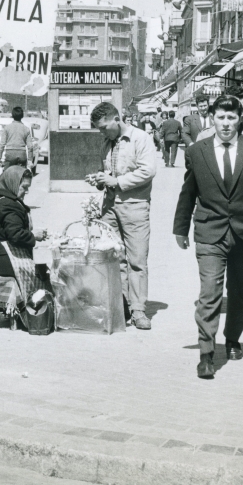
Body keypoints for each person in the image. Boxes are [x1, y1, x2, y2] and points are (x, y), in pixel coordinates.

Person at [173, 94, 243, 379]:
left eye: (231, 117)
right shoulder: (197, 151)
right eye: (220, 117)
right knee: (209, 292)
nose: (225, 123)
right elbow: (189, 192)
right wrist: (180, 228)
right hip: (210, 231)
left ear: (240, 119)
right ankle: (206, 354)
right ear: (212, 118)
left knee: (241, 292)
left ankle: (233, 337)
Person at [85, 102, 157, 330]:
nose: (102, 132)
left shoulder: (141, 138)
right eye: (99, 129)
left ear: (117, 119)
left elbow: (148, 170)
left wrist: (117, 181)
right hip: (110, 207)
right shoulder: (106, 142)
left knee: (137, 260)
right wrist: (99, 179)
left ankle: (138, 310)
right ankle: (120, 306)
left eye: (105, 127)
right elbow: (107, 172)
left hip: (134, 206)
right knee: (115, 258)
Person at [0, 165, 50, 297]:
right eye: (24, 187)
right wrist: (33, 236)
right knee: (43, 277)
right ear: (13, 183)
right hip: (2, 259)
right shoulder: (9, 205)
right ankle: (34, 312)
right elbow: (15, 235)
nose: (26, 192)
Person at [0, 106, 35, 171]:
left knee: (6, 176)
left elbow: (2, 144)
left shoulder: (7, 128)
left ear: (12, 115)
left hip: (10, 155)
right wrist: (30, 160)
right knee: (22, 176)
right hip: (22, 155)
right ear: (22, 116)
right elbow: (30, 147)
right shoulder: (26, 129)